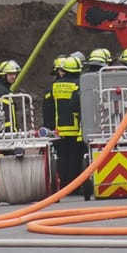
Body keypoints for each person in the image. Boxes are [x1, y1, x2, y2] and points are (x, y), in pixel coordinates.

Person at [44, 53, 86, 191]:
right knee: (75, 158)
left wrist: (48, 128)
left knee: (61, 158)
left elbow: (48, 109)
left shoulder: (54, 86)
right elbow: (79, 107)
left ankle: (62, 186)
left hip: (58, 130)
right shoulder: (78, 86)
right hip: (75, 130)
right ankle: (75, 187)